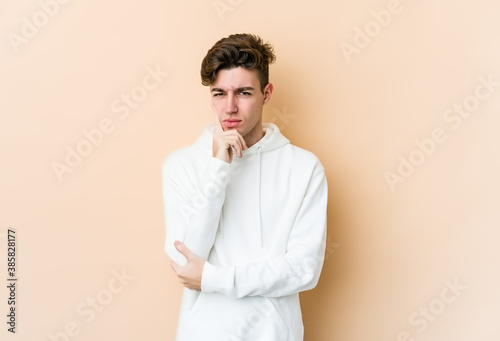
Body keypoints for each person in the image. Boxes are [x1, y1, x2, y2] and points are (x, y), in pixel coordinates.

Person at [162, 33, 328, 340]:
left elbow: (304, 269)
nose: (230, 108)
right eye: (219, 94)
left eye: (243, 93)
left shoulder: (304, 168)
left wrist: (213, 277)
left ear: (266, 93)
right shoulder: (181, 165)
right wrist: (218, 169)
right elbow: (186, 261)